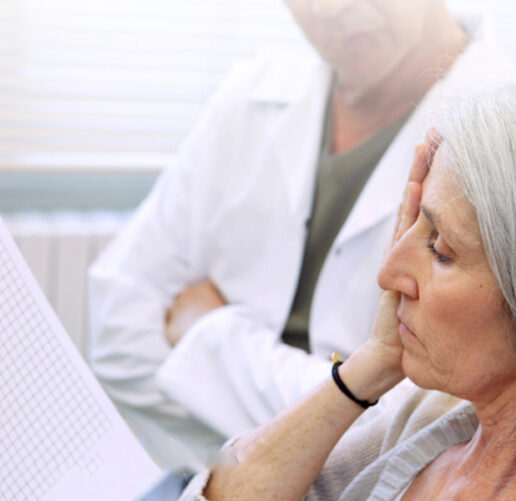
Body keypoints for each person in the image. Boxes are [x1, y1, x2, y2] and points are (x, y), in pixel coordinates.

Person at [87, 0, 513, 468]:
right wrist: (332, 413)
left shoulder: (501, 131)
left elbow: (446, 430)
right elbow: (116, 334)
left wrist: (210, 338)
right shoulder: (249, 95)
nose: (328, 9)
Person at [181, 85, 516, 500]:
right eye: (412, 225)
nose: (389, 274)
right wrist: (370, 364)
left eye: (440, 249)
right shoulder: (429, 418)